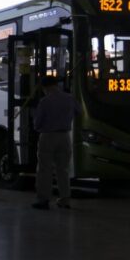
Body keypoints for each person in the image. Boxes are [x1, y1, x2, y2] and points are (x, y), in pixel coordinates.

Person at [32, 75, 80, 209]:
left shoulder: (45, 101)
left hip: (48, 136)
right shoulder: (69, 98)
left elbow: (37, 123)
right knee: (63, 170)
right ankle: (65, 199)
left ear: (45, 87)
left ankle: (43, 199)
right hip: (65, 136)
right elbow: (79, 111)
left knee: (45, 169)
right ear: (57, 85)